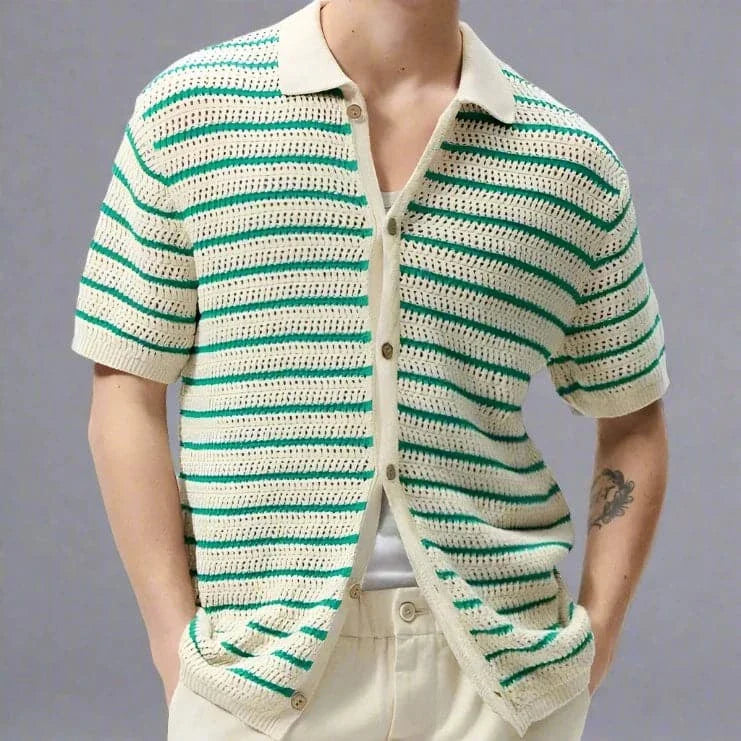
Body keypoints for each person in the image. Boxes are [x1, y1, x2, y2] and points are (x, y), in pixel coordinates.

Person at [70, 0, 671, 739]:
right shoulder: (189, 116)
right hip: (259, 672)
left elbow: (634, 418)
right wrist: (172, 642)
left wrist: (597, 635)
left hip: (499, 678)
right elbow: (125, 392)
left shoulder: (570, 164)